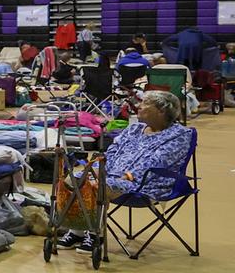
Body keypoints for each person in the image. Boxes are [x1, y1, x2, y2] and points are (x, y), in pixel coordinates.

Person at [55, 91, 190, 253]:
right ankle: (77, 232)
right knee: (71, 181)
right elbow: (112, 151)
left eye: (146, 104)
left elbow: (157, 164)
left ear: (162, 111)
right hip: (111, 175)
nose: (139, 107)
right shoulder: (134, 129)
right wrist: (99, 168)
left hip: (146, 183)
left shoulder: (179, 135)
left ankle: (95, 234)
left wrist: (122, 176)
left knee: (96, 186)